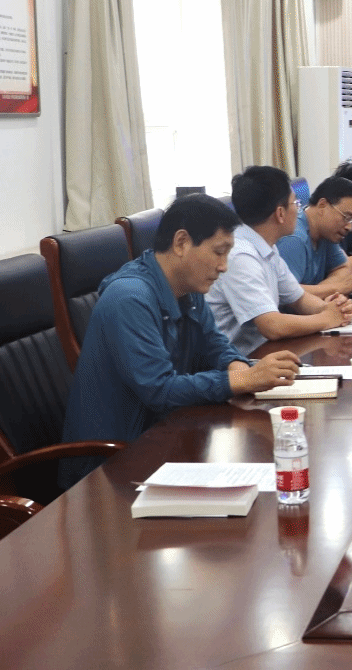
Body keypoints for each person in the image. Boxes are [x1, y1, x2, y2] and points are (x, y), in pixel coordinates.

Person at [59, 194, 302, 487]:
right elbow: (160, 390)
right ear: (181, 243)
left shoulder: (189, 289)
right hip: (110, 469)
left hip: (167, 438)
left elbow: (216, 345)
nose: (224, 266)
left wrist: (237, 366)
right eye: (219, 252)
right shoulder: (129, 299)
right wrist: (243, 380)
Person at [207, 166, 352, 354]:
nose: (299, 211)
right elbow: (272, 326)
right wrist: (327, 318)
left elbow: (299, 299)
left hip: (263, 353)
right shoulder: (240, 256)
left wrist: (333, 308)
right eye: (295, 204)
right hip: (236, 362)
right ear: (280, 213)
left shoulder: (267, 247)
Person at [277, 176, 352, 297]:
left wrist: (323, 291)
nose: (350, 227)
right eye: (347, 217)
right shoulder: (293, 239)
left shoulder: (326, 234)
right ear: (322, 205)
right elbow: (286, 295)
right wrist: (337, 288)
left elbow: (343, 268)